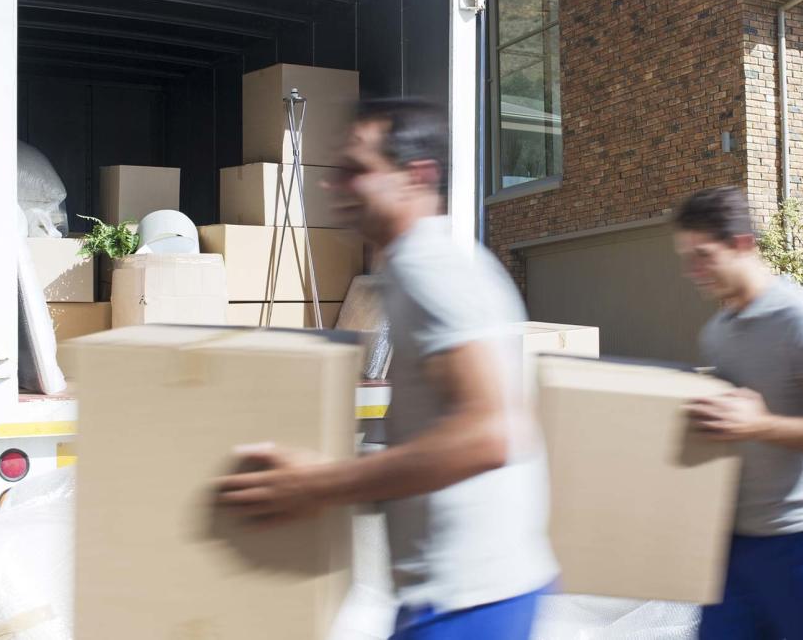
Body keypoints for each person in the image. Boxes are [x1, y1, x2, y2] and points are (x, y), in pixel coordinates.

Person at [216, 98, 557, 640]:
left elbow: (492, 433)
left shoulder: (432, 269)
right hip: (463, 593)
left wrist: (320, 485)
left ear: (416, 177)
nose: (336, 186)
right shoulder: (422, 266)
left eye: (357, 171)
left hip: (467, 599)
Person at [672, 186, 803, 640]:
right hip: (736, 544)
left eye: (702, 255)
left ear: (742, 244)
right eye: (687, 258)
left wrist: (760, 425)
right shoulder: (718, 333)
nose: (693, 271)